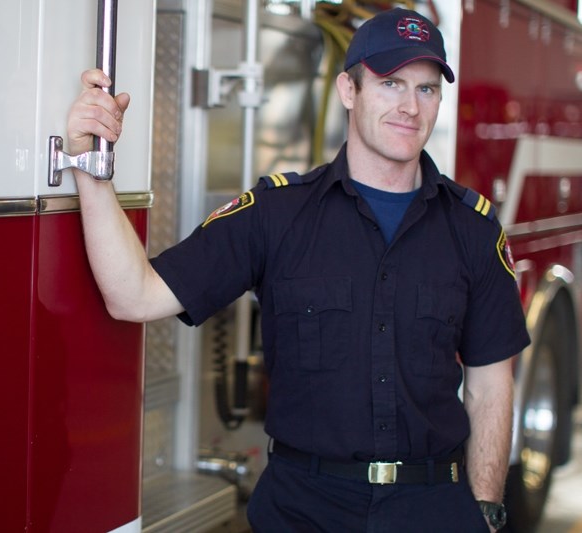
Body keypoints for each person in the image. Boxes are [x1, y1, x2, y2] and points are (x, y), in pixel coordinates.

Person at [66, 7, 529, 532]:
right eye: (391, 82)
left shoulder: (473, 230)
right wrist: (91, 171)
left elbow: (492, 384)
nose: (409, 105)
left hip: (431, 510)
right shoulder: (277, 214)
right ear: (348, 91)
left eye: (426, 89)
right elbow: (134, 295)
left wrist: (486, 510)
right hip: (303, 509)